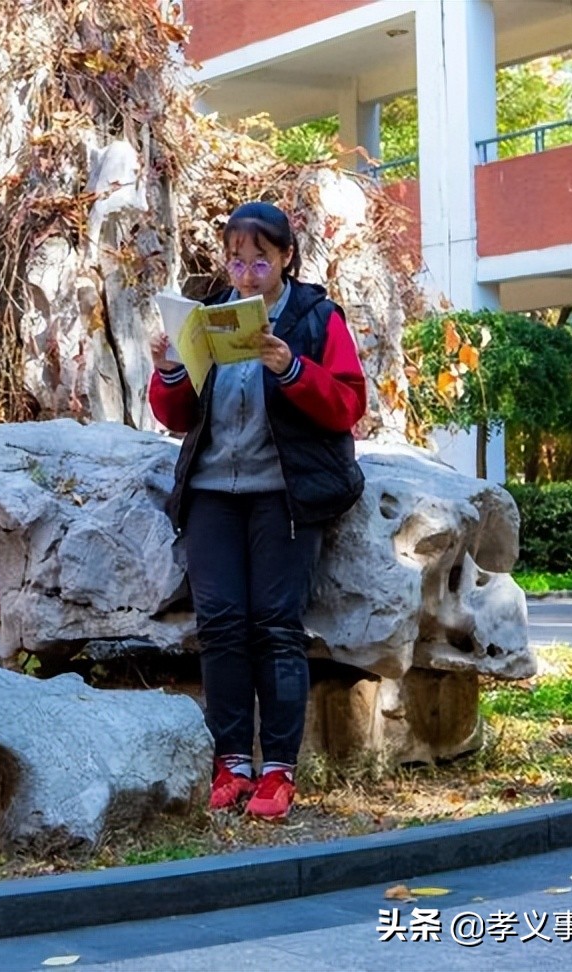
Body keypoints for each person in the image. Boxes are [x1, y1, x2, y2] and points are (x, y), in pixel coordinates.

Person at [148, 201, 366, 821]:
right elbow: (178, 418)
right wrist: (168, 371)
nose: (245, 274)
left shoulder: (317, 317)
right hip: (214, 490)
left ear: (286, 259)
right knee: (219, 624)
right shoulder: (212, 319)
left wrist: (291, 368)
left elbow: (348, 406)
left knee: (275, 624)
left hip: (285, 494)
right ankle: (231, 762)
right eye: (236, 260)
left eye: (259, 261)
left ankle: (278, 768)